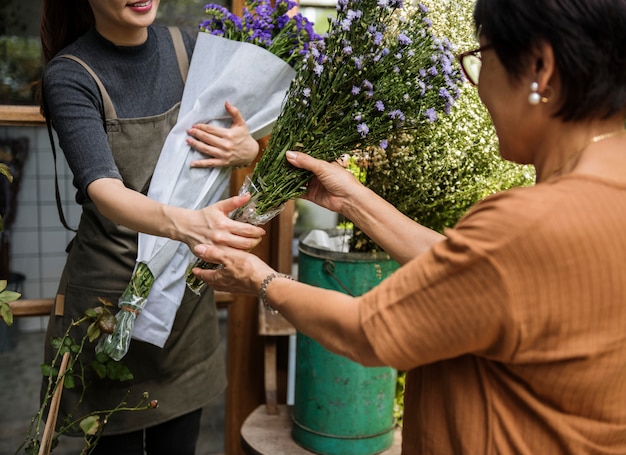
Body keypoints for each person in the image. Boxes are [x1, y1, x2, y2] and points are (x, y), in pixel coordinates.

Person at [192, 0, 626, 453]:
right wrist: (351, 200)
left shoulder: (527, 222)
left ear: (541, 67)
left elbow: (367, 332)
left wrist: (260, 280)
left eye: (481, 59)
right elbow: (470, 272)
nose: (478, 87)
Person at [39, 0, 265, 453]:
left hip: (182, 304)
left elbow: (241, 138)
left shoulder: (190, 50)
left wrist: (248, 148)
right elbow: (104, 189)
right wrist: (191, 226)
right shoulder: (70, 74)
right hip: (108, 301)